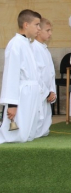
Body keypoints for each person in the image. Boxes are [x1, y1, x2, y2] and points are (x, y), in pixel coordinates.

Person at [0, 10, 43, 143]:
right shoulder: (15, 45)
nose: (39, 29)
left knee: (28, 133)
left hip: (31, 92)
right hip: (22, 94)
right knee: (15, 134)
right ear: (26, 25)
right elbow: (11, 75)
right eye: (36, 25)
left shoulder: (27, 44)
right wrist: (12, 104)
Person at [31, 18, 57, 138]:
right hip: (40, 91)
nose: (50, 33)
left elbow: (50, 73)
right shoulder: (34, 48)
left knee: (45, 118)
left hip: (47, 90)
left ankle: (41, 132)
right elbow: (37, 74)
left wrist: (52, 91)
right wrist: (46, 92)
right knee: (38, 116)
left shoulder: (44, 49)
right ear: (39, 30)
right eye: (48, 30)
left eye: (51, 30)